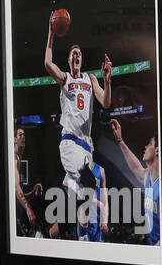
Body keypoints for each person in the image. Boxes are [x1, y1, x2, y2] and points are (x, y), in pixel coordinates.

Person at [43, 19, 112, 237]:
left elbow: (106, 102)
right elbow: (47, 64)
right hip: (69, 144)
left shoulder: (91, 78)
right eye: (73, 53)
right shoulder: (64, 78)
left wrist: (107, 81)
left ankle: (60, 233)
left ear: (82, 59)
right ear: (69, 59)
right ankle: (80, 230)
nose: (76, 55)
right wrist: (51, 34)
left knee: (84, 198)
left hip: (84, 147)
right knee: (90, 181)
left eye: (79, 53)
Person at [109, 118, 159, 246]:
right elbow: (136, 167)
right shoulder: (148, 178)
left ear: (157, 150)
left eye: (149, 144)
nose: (145, 147)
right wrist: (120, 141)